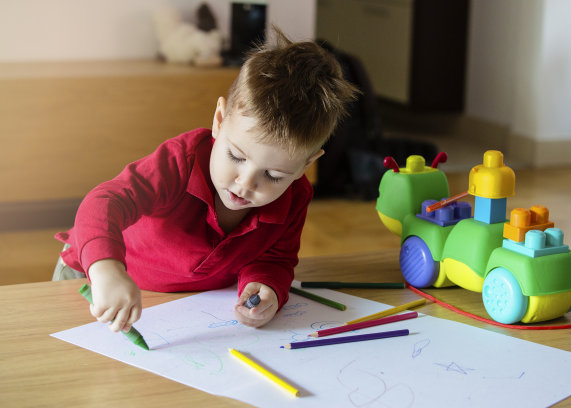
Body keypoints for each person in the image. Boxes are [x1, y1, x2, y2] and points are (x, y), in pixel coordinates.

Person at [53, 29, 357, 332]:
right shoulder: (177, 163)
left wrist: (266, 286)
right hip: (94, 278)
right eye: (236, 157)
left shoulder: (295, 197)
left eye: (274, 175)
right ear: (219, 120)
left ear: (306, 164)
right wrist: (106, 270)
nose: (246, 182)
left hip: (181, 305)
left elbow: (275, 258)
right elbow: (103, 203)